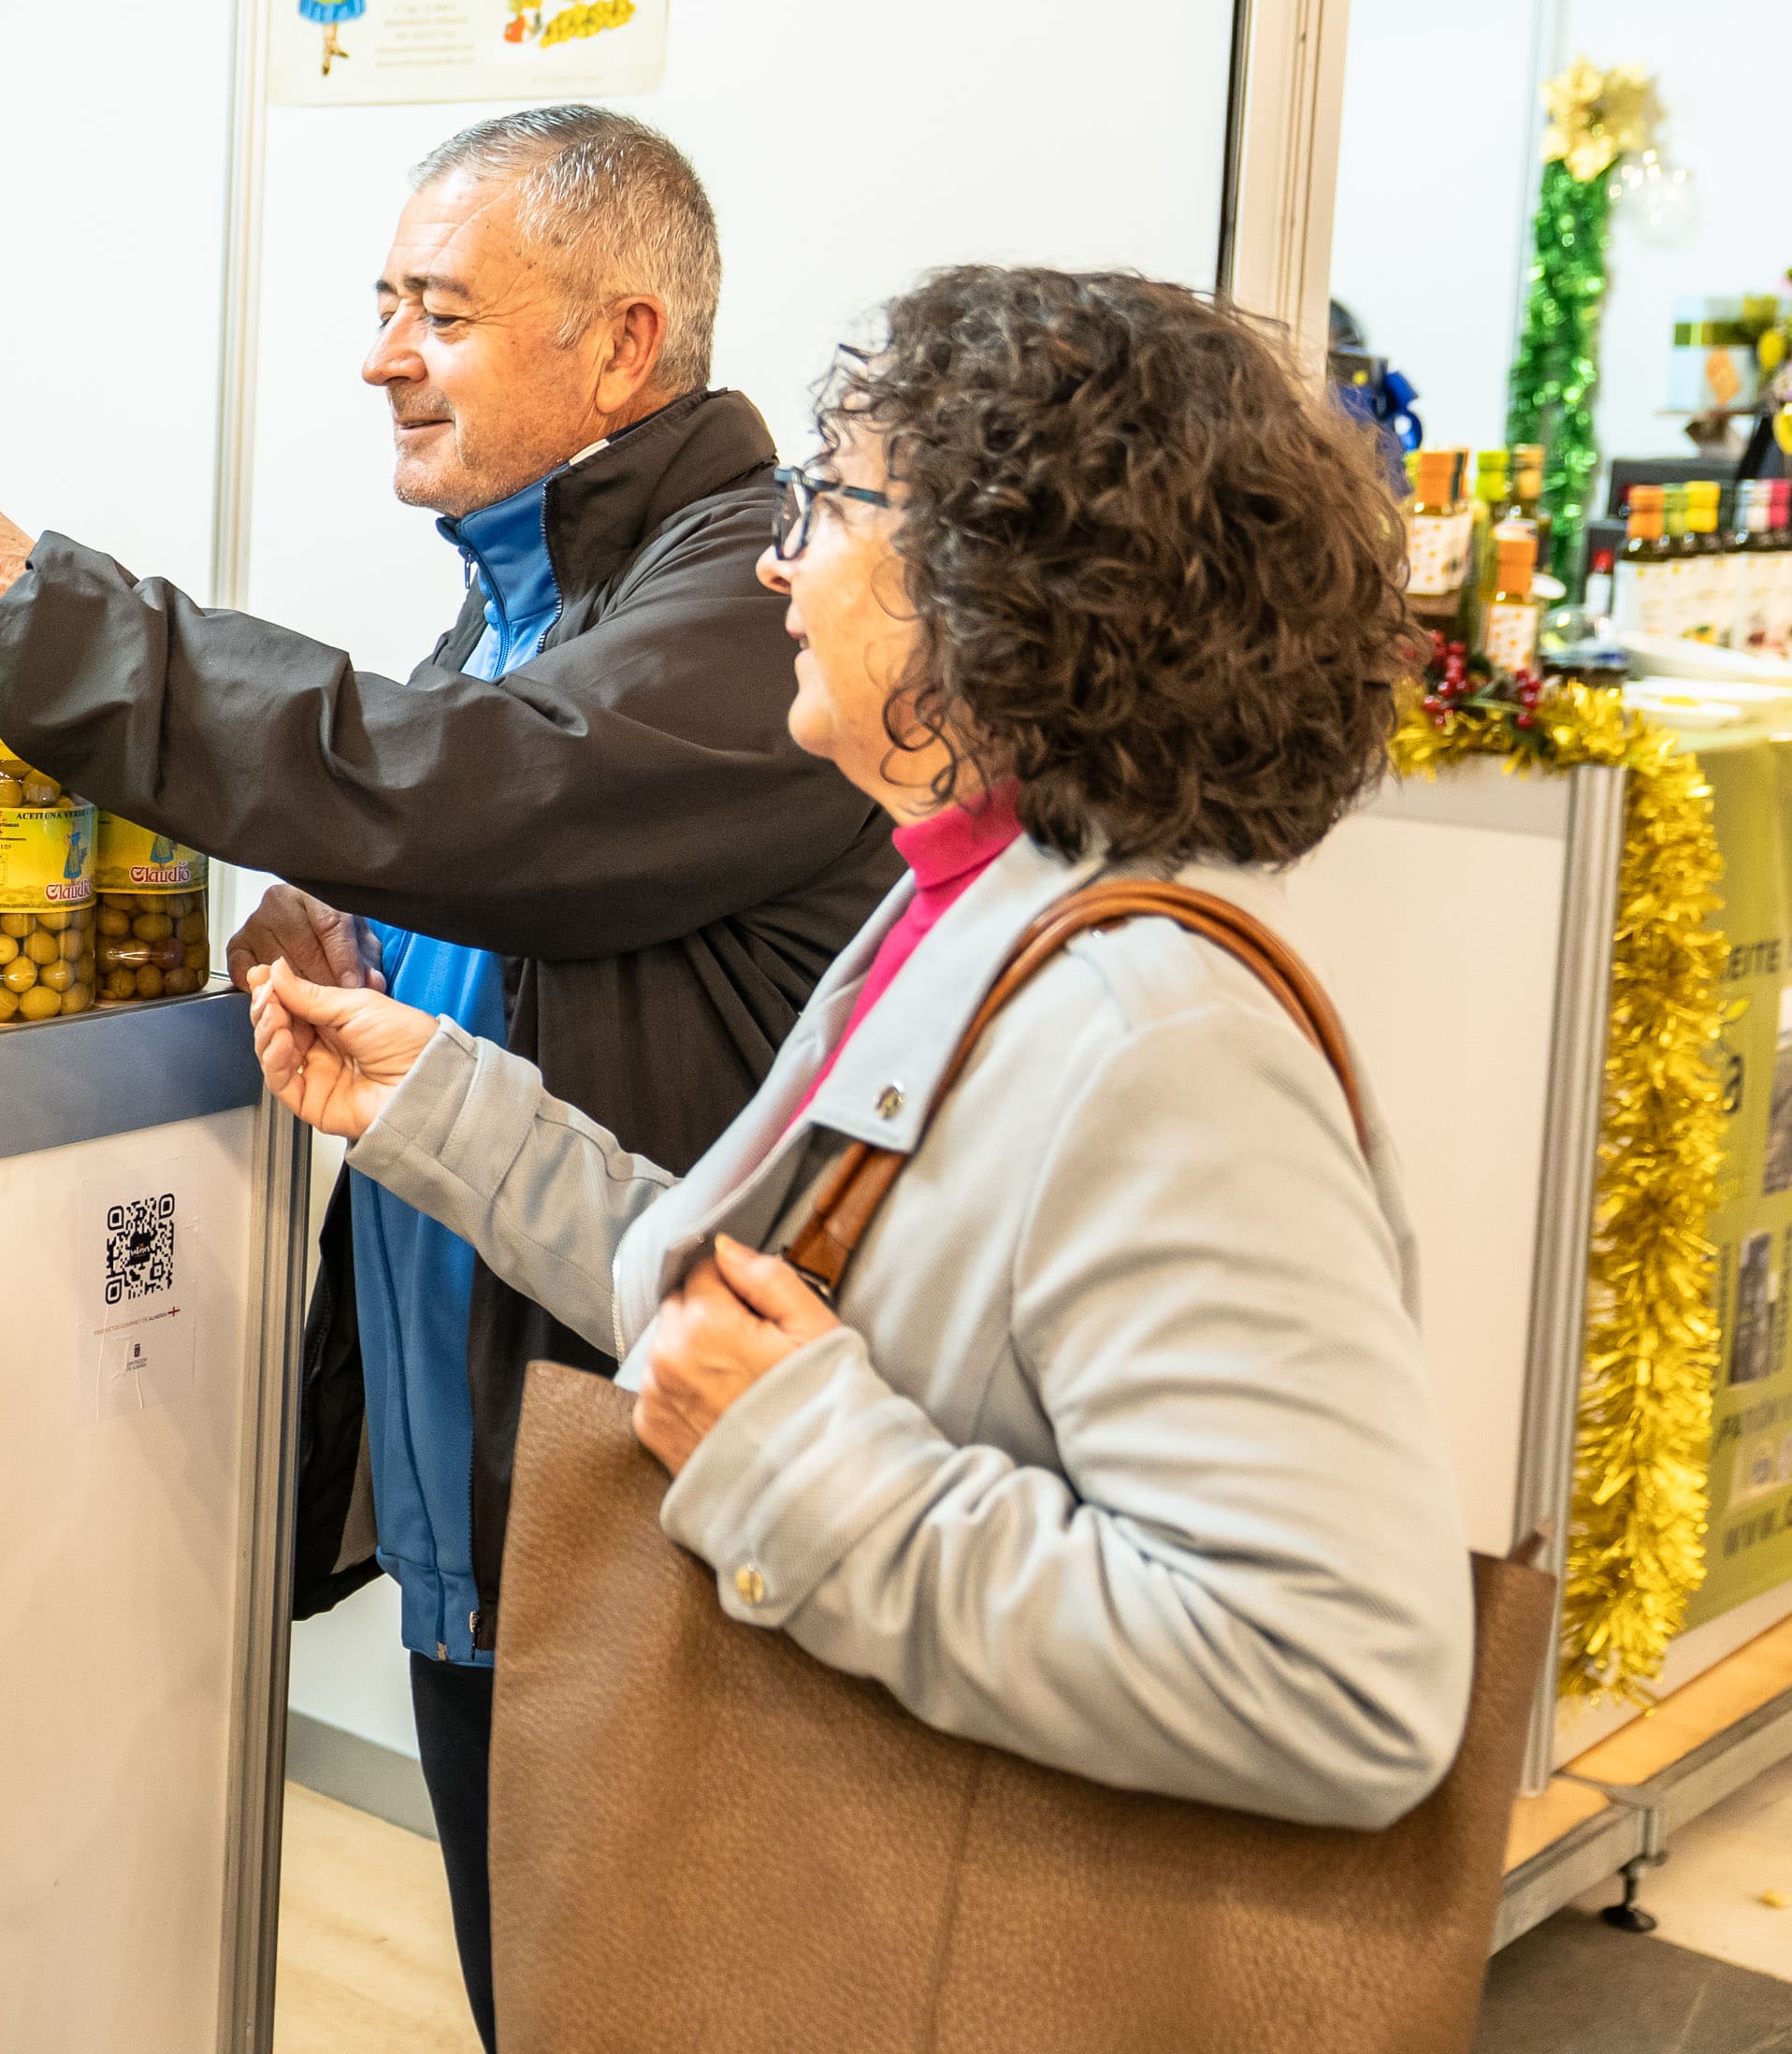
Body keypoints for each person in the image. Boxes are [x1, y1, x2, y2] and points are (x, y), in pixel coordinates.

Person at [0, 106, 894, 2043]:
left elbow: (495, 788)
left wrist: (68, 622)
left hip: (645, 1508)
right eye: (381, 301)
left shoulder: (737, 601)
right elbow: (492, 851)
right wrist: (349, 923)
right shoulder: (535, 578)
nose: (380, 354)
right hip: (488, 1510)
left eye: (441, 310)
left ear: (622, 347)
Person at [245, 263, 1475, 1839]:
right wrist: (437, 1106)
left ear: (1002, 592)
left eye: (824, 507)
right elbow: (748, 1302)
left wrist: (795, 1458)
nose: (775, 571)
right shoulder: (953, 912)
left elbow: (1343, 1681)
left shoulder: (1153, 1042)